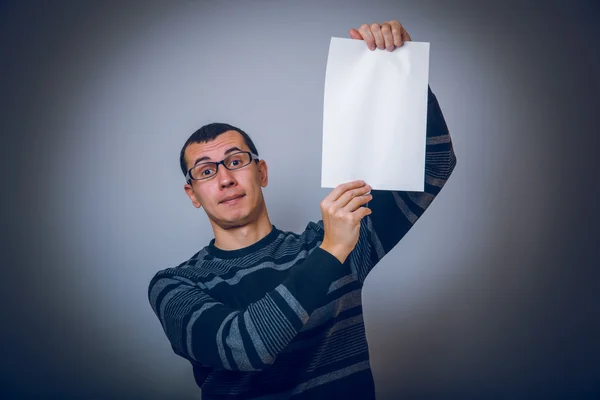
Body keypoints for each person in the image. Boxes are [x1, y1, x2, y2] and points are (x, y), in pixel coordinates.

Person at [148, 19, 456, 400]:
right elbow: (245, 346)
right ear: (192, 193)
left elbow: (435, 163)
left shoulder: (336, 237)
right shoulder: (175, 285)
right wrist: (332, 251)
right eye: (206, 171)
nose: (225, 179)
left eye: (236, 161)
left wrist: (402, 74)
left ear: (261, 172)